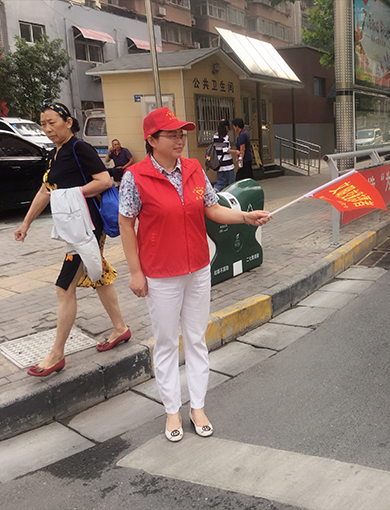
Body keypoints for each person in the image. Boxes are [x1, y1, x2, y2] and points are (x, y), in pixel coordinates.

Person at [118, 107, 270, 442]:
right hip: (160, 274)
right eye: (172, 135)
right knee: (166, 343)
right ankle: (172, 410)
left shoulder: (194, 170)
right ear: (151, 140)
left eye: (182, 134)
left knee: (197, 340)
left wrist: (245, 218)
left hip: (198, 269)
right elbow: (126, 224)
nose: (180, 140)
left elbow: (212, 208)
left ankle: (197, 406)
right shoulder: (135, 177)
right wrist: (135, 272)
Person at [13, 103, 130, 377]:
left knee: (63, 288)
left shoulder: (80, 149)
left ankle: (56, 354)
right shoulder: (54, 154)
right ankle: (120, 328)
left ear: (68, 122)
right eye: (43, 124)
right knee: (98, 275)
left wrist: (71, 194)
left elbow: (104, 181)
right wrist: (26, 223)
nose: (47, 128)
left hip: (86, 228)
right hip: (74, 227)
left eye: (52, 122)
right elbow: (45, 190)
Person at [212, 120, 237, 191]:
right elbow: (226, 150)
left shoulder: (215, 136)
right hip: (228, 164)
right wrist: (236, 151)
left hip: (219, 163)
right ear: (226, 127)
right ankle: (231, 195)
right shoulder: (225, 137)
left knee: (220, 183)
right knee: (231, 183)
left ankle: (214, 193)